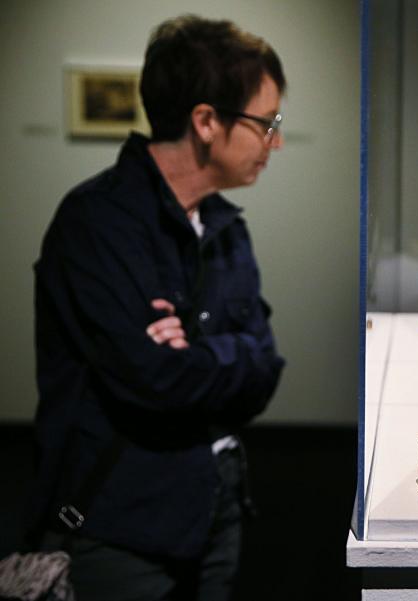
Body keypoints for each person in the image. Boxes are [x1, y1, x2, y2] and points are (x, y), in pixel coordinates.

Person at [26, 15, 286, 600]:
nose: (277, 142)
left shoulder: (224, 224)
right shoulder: (98, 223)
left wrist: (201, 351)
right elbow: (154, 377)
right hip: (122, 522)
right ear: (206, 122)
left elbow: (265, 367)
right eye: (266, 123)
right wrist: (224, 354)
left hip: (216, 503)